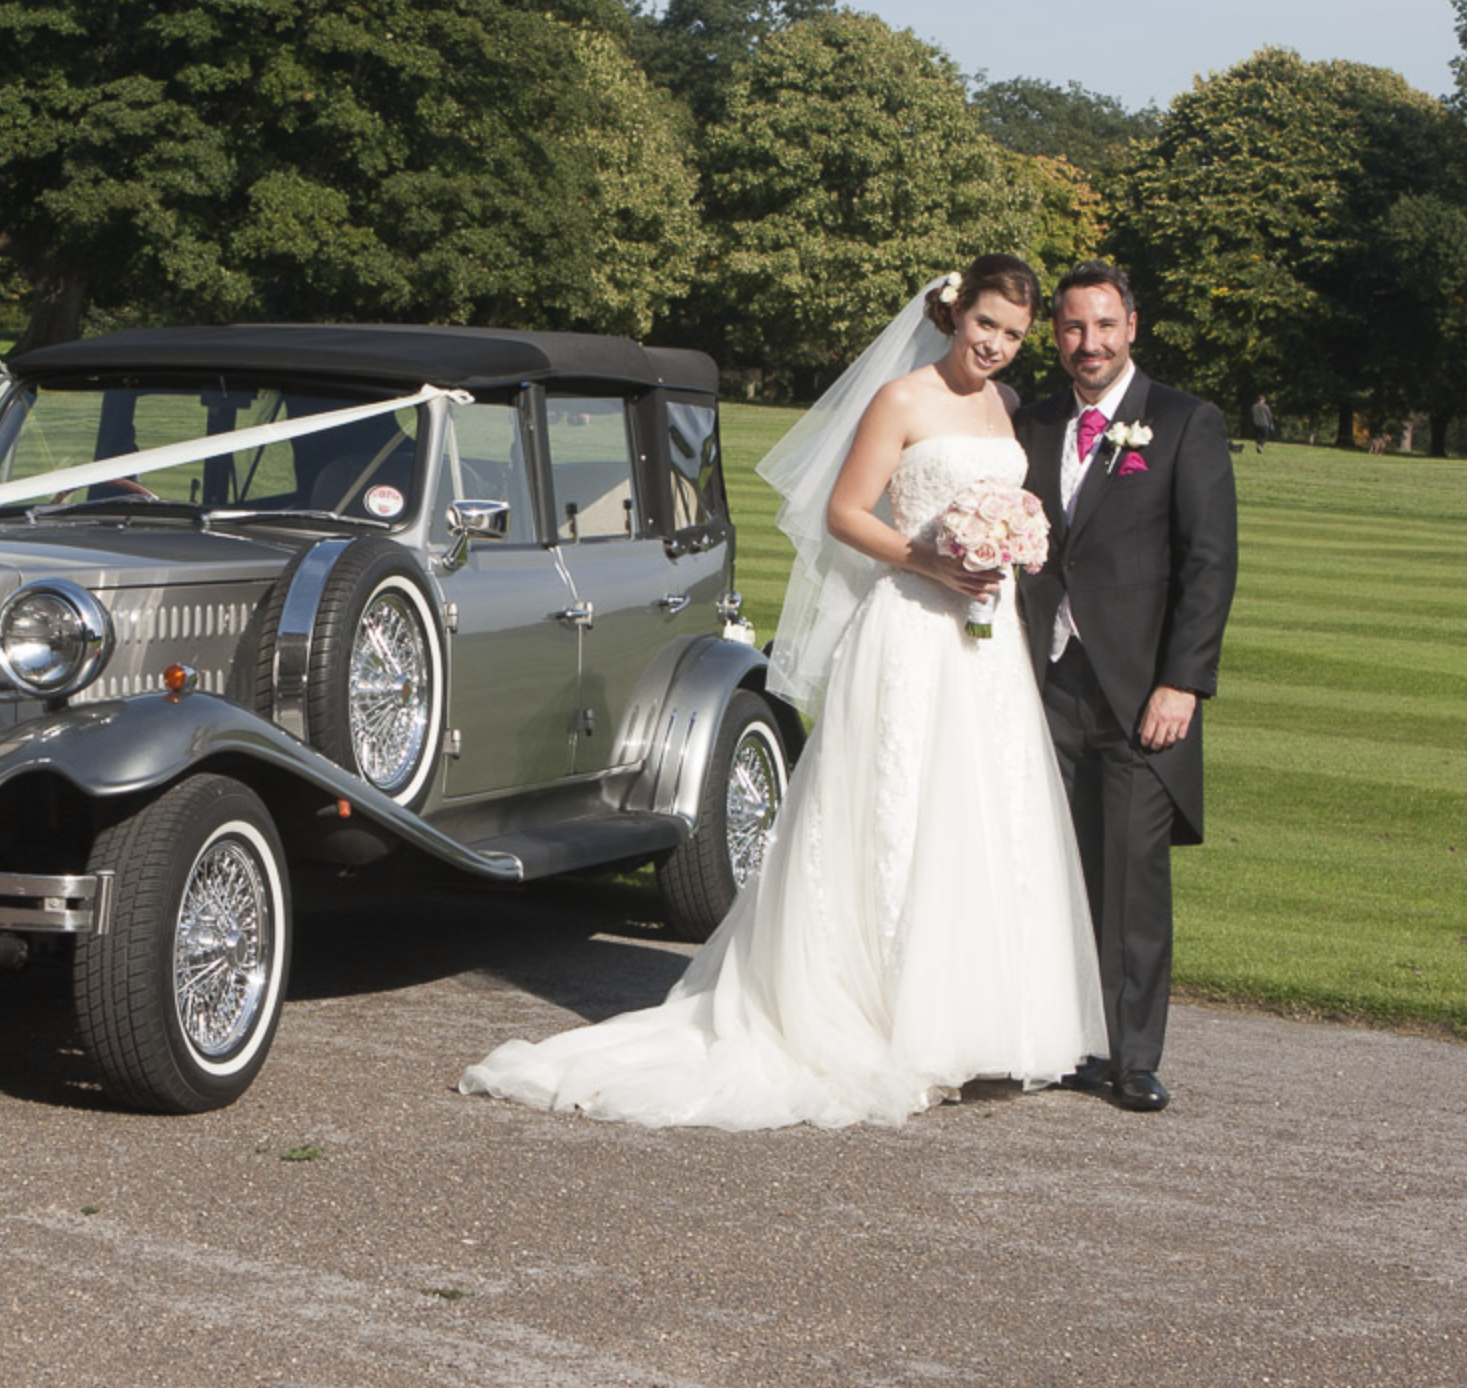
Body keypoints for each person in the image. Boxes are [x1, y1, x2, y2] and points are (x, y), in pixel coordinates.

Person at [460, 256, 1104, 1130]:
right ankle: (874, 1012)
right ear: (957, 315)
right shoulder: (904, 399)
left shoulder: (1003, 409)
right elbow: (846, 510)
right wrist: (930, 559)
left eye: (1014, 335)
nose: (995, 345)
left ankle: (973, 1019)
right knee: (895, 808)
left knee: (979, 811)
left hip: (984, 644)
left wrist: (998, 554)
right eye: (986, 323)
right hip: (913, 625)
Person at [1016, 262, 1238, 1113]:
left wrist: (1182, 682)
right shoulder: (1030, 423)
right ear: (1057, 335)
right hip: (1042, 685)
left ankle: (1131, 1056)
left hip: (1142, 693)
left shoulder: (1184, 422)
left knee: (1132, 879)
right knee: (1055, 871)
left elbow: (1208, 564)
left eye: (1104, 326)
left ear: (1132, 327)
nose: (1089, 344)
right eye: (1073, 328)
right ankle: (1062, 1041)